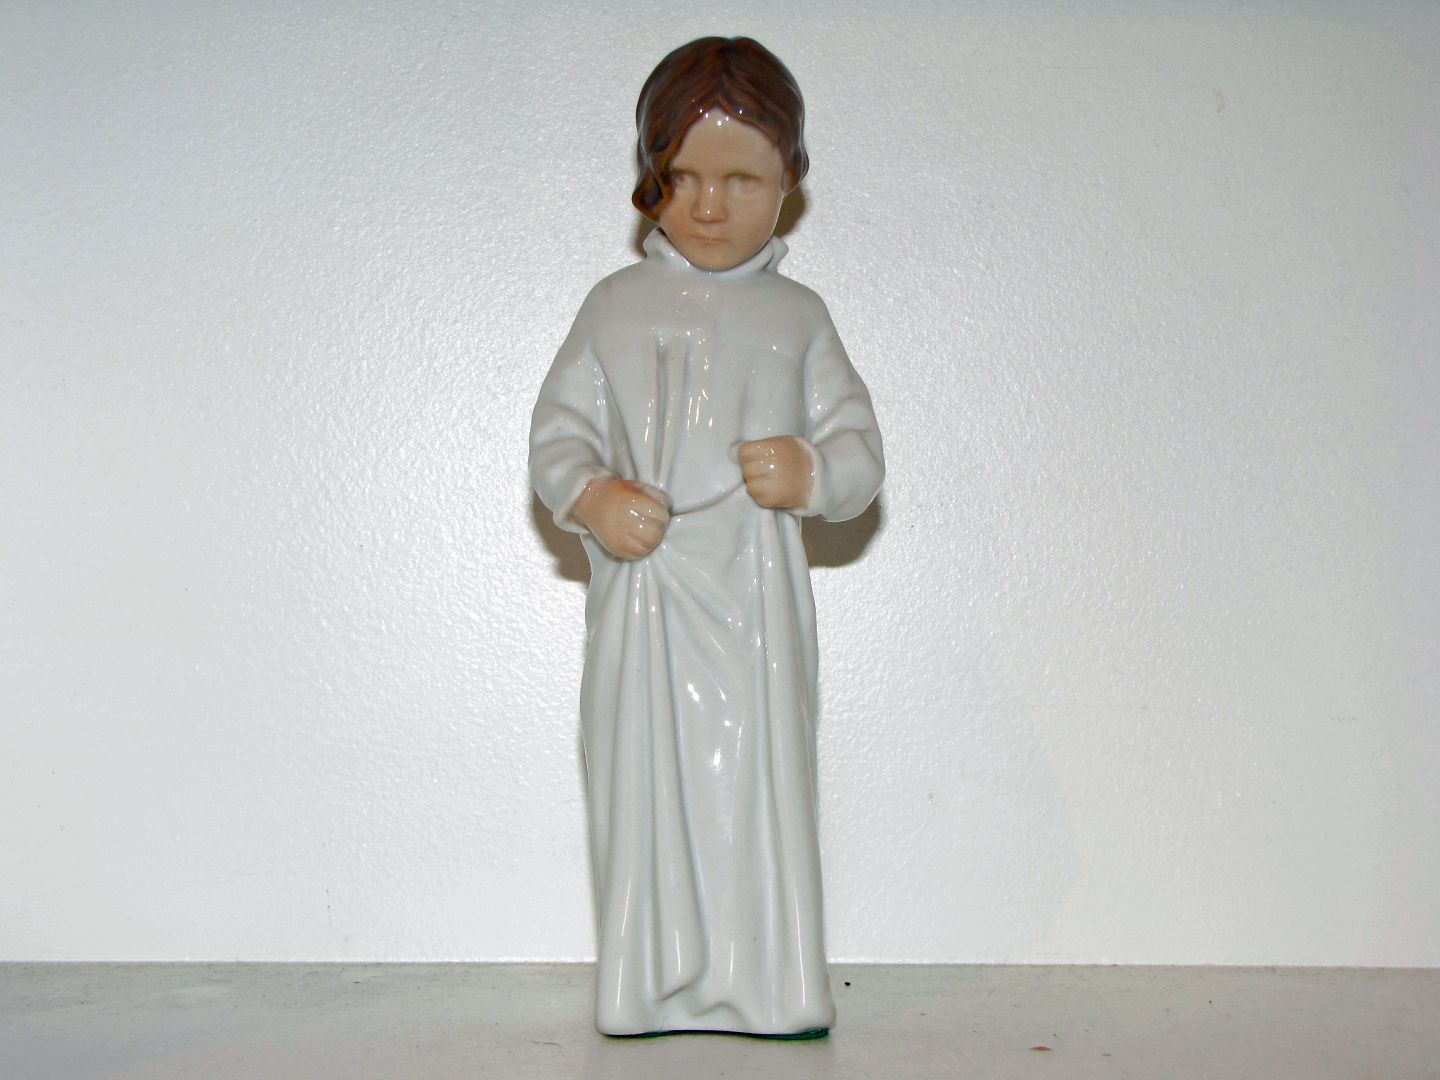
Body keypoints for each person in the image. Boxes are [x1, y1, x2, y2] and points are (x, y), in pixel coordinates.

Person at [529, 36, 883, 1038]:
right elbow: (557, 436)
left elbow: (859, 451)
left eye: (741, 180)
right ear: (651, 178)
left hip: (755, 612)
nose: (711, 207)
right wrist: (593, 496)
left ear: (790, 183)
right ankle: (650, 981)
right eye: (683, 178)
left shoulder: (797, 319)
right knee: (645, 789)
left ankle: (765, 983)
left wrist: (813, 471)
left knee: (754, 791)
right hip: (646, 609)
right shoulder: (614, 308)